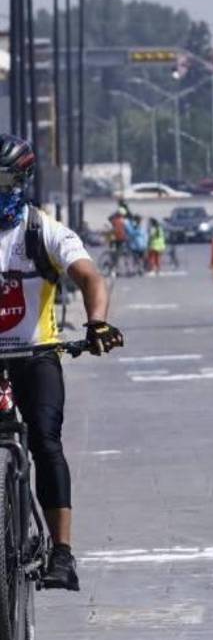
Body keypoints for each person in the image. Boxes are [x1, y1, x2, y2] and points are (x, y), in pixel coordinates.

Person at [0, 134, 123, 591]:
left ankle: (62, 553)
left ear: (23, 181)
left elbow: (90, 277)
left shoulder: (43, 231)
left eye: (5, 181)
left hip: (37, 354)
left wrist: (97, 324)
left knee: (46, 444)